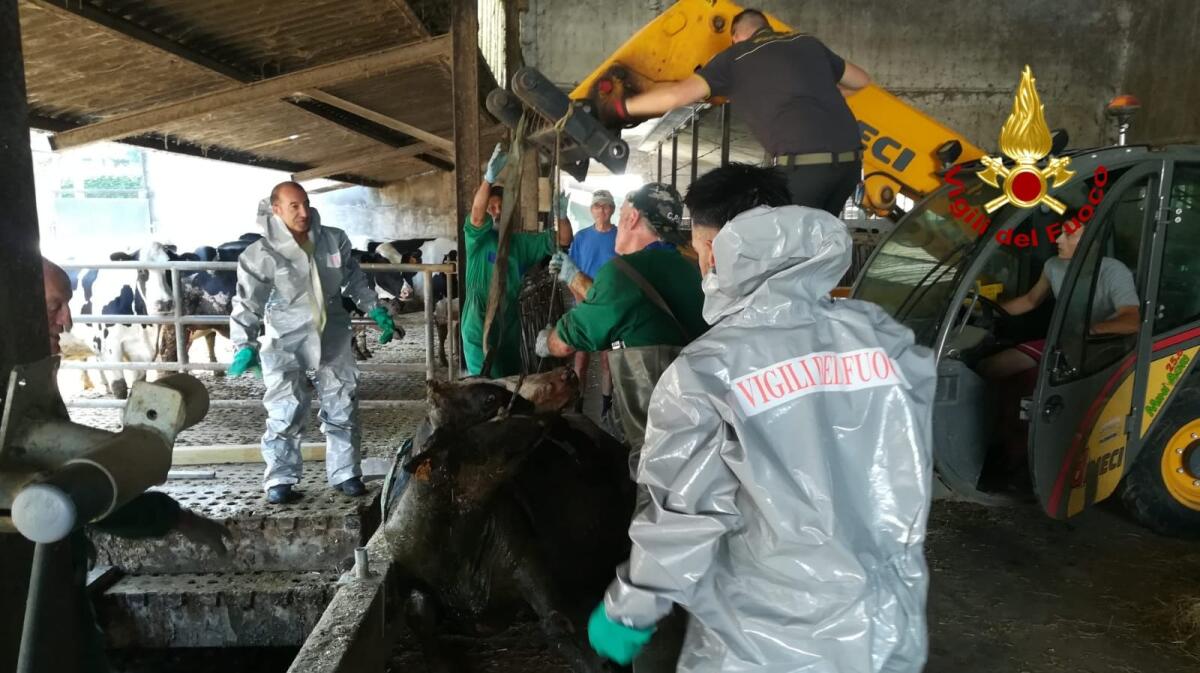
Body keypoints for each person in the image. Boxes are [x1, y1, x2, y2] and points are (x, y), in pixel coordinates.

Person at [585, 165, 938, 673]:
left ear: (722, 250)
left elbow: (685, 518)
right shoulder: (884, 340)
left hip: (766, 636)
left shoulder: (707, 371)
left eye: (705, 247)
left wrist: (629, 612)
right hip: (883, 622)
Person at [41, 258, 231, 673]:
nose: (68, 321)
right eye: (54, 305)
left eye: (68, 305)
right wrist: (174, 518)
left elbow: (79, 484)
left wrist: (174, 517)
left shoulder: (32, 386)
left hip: (56, 583)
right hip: (31, 592)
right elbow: (68, 485)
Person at [594, 8, 869, 215]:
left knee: (785, 260)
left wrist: (620, 108)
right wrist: (818, 96)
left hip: (806, 170)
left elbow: (677, 95)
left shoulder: (736, 57)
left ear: (736, 36)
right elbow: (861, 81)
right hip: (850, 168)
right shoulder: (808, 43)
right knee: (817, 252)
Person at [229, 181, 397, 504]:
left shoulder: (333, 240)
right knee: (285, 407)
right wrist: (243, 344)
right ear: (276, 209)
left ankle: (346, 472)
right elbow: (247, 302)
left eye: (305, 203)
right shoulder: (261, 254)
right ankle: (280, 477)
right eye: (294, 206)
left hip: (331, 329)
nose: (304, 212)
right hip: (285, 334)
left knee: (343, 401)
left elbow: (354, 281)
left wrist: (374, 308)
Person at [537, 183, 707, 462]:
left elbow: (568, 342)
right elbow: (626, 304)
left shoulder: (621, 273)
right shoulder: (694, 267)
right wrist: (573, 276)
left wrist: (546, 341)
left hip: (648, 427)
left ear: (632, 218)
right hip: (694, 417)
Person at [462, 143, 572, 377]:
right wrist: (488, 180)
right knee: (481, 382)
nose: (497, 211)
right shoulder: (477, 240)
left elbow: (562, 239)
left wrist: (561, 216)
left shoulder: (523, 244)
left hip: (508, 321)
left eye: (502, 207)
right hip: (478, 316)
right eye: (492, 206)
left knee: (508, 380)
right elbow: (477, 213)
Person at [977, 223, 1140, 380]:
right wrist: (984, 311)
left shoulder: (1114, 271)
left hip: (1102, 347)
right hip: (1064, 344)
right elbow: (1030, 301)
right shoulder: (1053, 265)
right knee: (989, 367)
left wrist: (1090, 330)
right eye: (1060, 233)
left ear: (1093, 240)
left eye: (1068, 235)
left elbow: (1132, 321)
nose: (1058, 240)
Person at [559, 189, 619, 418]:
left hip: (609, 307)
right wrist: (580, 299)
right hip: (584, 304)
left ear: (612, 209)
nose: (601, 210)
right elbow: (571, 272)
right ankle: (578, 402)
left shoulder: (620, 237)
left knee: (607, 360)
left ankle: (606, 405)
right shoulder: (582, 238)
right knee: (581, 357)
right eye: (597, 206)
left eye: (606, 206)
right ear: (591, 210)